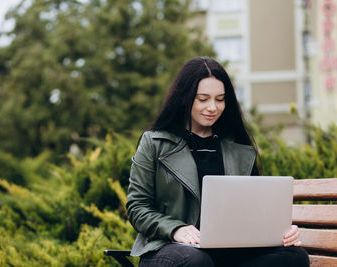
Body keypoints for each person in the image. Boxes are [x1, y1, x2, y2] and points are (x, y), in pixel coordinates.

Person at [126, 57, 309, 266]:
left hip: (228, 252)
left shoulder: (238, 147)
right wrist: (175, 228)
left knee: (295, 257)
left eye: (220, 99)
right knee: (197, 260)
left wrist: (281, 232)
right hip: (169, 250)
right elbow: (137, 207)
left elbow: (255, 208)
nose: (213, 107)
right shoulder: (154, 142)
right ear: (184, 98)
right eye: (203, 99)